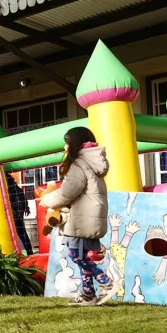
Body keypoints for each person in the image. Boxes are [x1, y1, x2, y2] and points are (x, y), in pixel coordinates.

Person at [39, 127, 121, 306]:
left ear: (74, 143)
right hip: (90, 217)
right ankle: (88, 295)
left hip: (81, 219)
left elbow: (67, 193)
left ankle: (106, 280)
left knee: (75, 255)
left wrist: (47, 200)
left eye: (66, 142)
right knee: (82, 255)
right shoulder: (92, 163)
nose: (64, 147)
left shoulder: (79, 165)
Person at [6, 174, 34, 254]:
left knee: (16, 233)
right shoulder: (17, 189)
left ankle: (15, 251)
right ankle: (29, 251)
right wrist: (26, 208)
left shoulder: (10, 189)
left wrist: (25, 208)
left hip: (14, 214)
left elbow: (22, 198)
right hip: (18, 213)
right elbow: (24, 198)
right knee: (22, 233)